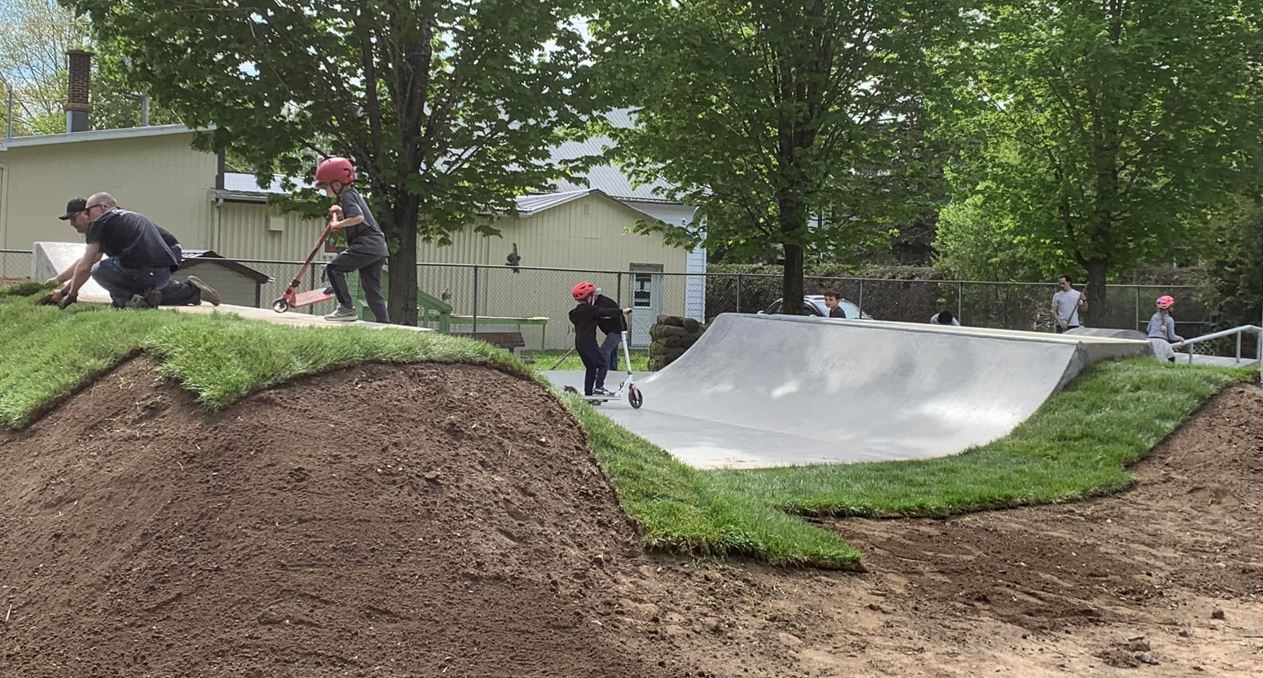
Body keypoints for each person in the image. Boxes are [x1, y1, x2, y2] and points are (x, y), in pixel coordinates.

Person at [44, 197, 220, 308]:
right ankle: (190, 292)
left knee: (107, 275)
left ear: (89, 213)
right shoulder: (118, 221)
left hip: (165, 253)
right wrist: (60, 282)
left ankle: (134, 301)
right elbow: (84, 262)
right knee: (137, 287)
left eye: (74, 218)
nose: (72, 224)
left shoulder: (100, 224)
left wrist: (69, 293)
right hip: (160, 263)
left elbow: (87, 265)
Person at [314, 157, 389, 323]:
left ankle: (346, 308)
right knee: (372, 289)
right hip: (378, 246)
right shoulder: (353, 195)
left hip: (366, 244)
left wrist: (338, 223)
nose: (325, 189)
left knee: (333, 268)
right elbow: (356, 214)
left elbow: (358, 217)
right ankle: (385, 324)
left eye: (326, 185)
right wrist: (340, 212)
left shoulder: (347, 197)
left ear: (337, 184)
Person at [568, 281, 631, 397]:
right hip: (589, 344)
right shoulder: (591, 310)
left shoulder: (575, 313)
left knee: (591, 368)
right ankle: (599, 388)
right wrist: (622, 311)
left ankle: (588, 394)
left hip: (579, 345)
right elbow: (604, 312)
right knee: (602, 364)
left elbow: (576, 316)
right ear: (589, 298)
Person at [592, 287, 625, 395]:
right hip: (613, 330)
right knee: (612, 351)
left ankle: (602, 370)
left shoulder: (603, 303)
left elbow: (602, 314)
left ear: (595, 296)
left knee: (605, 351)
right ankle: (612, 369)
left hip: (616, 330)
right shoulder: (599, 302)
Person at [1147, 295, 1184, 362]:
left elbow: (1148, 329)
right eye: (1172, 306)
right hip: (1162, 343)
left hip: (1149, 341)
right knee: (1171, 359)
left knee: (1151, 361)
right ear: (1169, 308)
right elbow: (1172, 336)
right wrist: (1180, 338)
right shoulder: (1169, 320)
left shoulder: (1154, 316)